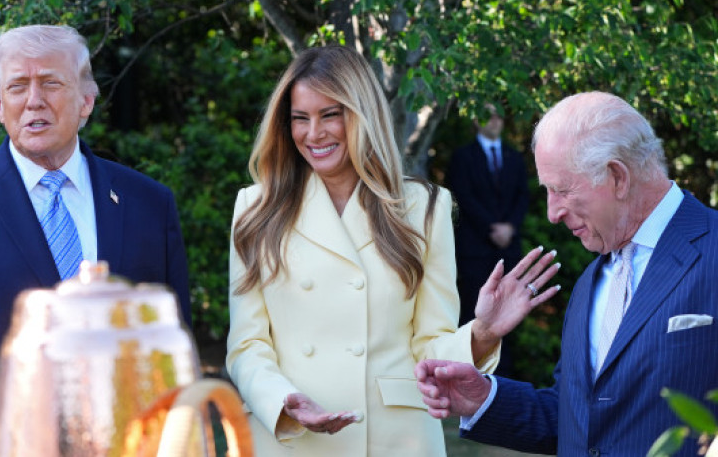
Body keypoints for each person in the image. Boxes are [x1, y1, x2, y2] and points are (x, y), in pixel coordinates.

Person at [225, 45, 560, 456]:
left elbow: (429, 344)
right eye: (300, 119)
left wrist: (483, 332)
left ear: (362, 114)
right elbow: (246, 346)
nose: (313, 134)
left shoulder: (424, 207)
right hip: (291, 439)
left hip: (395, 438)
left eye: (330, 115)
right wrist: (281, 401)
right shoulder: (255, 208)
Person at [0, 25, 191, 456]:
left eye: (50, 82)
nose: (34, 100)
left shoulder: (148, 205)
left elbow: (173, 352)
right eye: (17, 86)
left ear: (86, 101)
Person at [416, 92, 718, 456]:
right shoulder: (591, 282)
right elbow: (575, 418)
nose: (551, 213)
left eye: (561, 190)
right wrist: (485, 398)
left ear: (617, 177)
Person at [445, 104, 529, 375]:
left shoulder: (514, 157)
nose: (494, 121)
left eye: (498, 116)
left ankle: (505, 378)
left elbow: (522, 197)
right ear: (476, 121)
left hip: (508, 249)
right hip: (475, 249)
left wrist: (510, 228)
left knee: (510, 310)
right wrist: (491, 227)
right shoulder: (462, 157)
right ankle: (473, 374)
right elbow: (462, 197)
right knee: (474, 312)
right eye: (487, 115)